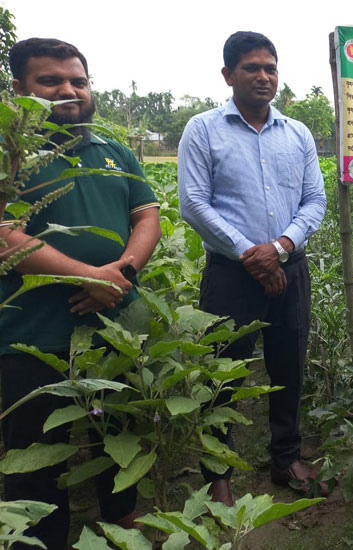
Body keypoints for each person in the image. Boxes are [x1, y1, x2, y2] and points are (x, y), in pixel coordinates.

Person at [0, 38, 161, 549]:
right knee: (32, 450)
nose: (69, 90)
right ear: (19, 89)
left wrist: (123, 274)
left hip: (113, 322)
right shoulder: (10, 154)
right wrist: (88, 276)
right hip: (31, 330)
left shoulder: (109, 148)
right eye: (51, 81)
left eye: (78, 80)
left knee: (119, 432)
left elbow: (147, 214)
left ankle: (120, 522)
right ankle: (39, 539)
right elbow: (4, 232)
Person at [178, 31, 327, 505]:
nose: (264, 76)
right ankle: (217, 472)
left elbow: (314, 200)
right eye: (252, 68)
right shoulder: (202, 130)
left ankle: (285, 458)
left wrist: (280, 247)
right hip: (229, 275)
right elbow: (194, 203)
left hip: (290, 268)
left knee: (289, 366)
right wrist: (252, 253)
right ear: (228, 75)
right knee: (225, 371)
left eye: (270, 68)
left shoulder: (298, 133)